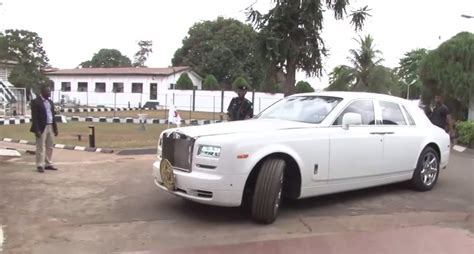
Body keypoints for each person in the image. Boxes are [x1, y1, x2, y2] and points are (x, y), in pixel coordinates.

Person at [30, 86, 59, 173]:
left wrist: (55, 128)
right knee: (40, 147)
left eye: (50, 92)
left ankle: (48, 164)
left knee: (50, 147)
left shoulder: (50, 102)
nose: (50, 93)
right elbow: (34, 118)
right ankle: (40, 165)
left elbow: (53, 116)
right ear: (42, 92)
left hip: (51, 126)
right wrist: (37, 130)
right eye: (48, 92)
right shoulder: (36, 102)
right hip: (41, 127)